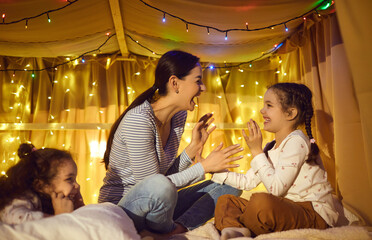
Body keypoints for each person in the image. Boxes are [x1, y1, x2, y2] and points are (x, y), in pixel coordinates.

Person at [98, 50, 243, 236]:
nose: (203, 88)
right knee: (160, 187)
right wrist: (203, 167)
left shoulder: (178, 116)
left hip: (156, 206)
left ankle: (176, 229)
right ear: (175, 83)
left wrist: (193, 148)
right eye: (198, 81)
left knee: (232, 186)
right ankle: (167, 232)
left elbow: (164, 177)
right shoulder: (139, 120)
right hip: (122, 210)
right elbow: (153, 186)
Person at [212, 82, 339, 239]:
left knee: (260, 202)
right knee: (226, 201)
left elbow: (276, 189)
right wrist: (213, 170)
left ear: (290, 113)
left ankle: (242, 223)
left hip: (312, 213)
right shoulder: (270, 147)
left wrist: (256, 151)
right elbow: (247, 182)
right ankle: (237, 230)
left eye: (269, 105)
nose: (262, 110)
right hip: (286, 209)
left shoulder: (296, 141)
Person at [0, 143, 84, 224]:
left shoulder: (56, 201)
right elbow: (15, 218)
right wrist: (61, 217)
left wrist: (80, 206)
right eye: (69, 179)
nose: (77, 185)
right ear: (40, 186)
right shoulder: (25, 197)